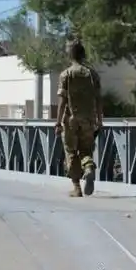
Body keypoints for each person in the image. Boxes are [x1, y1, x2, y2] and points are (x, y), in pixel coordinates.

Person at [55, 39, 103, 197]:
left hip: (70, 119)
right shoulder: (92, 74)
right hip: (88, 119)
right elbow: (98, 99)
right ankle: (89, 168)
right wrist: (100, 121)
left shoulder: (66, 74)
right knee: (86, 149)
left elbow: (62, 100)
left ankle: (76, 188)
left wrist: (58, 122)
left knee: (71, 151)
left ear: (70, 54)